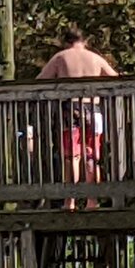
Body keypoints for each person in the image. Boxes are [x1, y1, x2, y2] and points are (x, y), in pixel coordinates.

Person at [38, 28, 118, 202]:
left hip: (70, 108)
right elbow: (116, 79)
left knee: (71, 156)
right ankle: (92, 200)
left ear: (66, 42)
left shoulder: (61, 57)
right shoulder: (96, 58)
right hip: (94, 109)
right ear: (85, 41)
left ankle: (70, 201)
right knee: (91, 155)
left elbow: (41, 80)